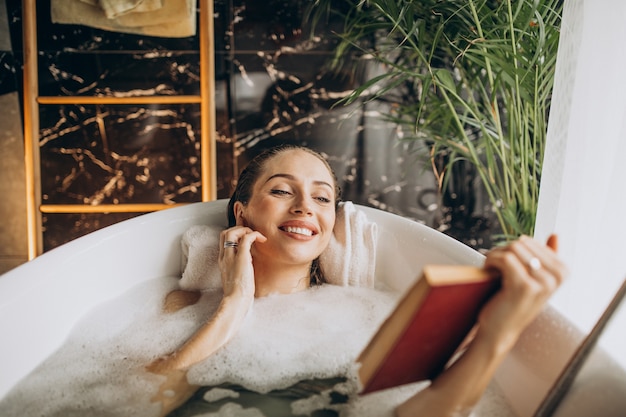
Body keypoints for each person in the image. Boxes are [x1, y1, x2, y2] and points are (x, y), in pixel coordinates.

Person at [147, 144, 568, 417]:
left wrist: (493, 334)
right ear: (241, 214)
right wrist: (236, 302)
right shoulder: (187, 305)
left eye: (322, 197)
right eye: (281, 191)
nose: (304, 207)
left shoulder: (357, 314)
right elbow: (139, 399)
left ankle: (497, 337)